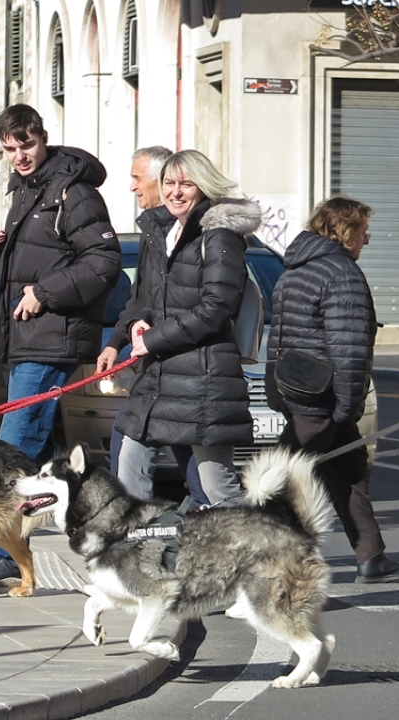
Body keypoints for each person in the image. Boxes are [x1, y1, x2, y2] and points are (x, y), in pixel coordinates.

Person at [0, 103, 121, 584]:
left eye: (27, 145)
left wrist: (43, 293)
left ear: (43, 137)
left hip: (50, 339)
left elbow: (103, 261)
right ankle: (19, 542)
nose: (18, 156)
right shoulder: (26, 191)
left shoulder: (72, 191)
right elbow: (27, 270)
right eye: (10, 149)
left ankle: (6, 551)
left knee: (15, 445)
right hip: (28, 338)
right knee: (23, 445)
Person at [266, 196, 399, 584]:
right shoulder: (341, 274)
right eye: (364, 232)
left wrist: (276, 392)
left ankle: (371, 556)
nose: (366, 241)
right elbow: (348, 348)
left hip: (298, 389)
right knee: (279, 485)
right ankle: (265, 567)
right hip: (323, 397)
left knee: (349, 473)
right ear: (345, 231)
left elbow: (276, 340)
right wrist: (348, 406)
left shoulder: (294, 270)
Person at [110, 149, 255, 505]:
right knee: (129, 472)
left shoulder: (219, 235)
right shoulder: (165, 231)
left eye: (186, 184)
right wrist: (137, 324)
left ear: (203, 188)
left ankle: (253, 554)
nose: (175, 192)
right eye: (169, 183)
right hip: (159, 375)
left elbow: (216, 309)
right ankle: (139, 556)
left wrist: (154, 340)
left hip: (203, 379)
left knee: (217, 486)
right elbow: (151, 296)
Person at [95, 146, 210, 503]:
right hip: (158, 361)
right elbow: (141, 299)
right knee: (145, 444)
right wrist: (116, 341)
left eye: (136, 178)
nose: (132, 187)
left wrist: (152, 336)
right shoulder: (154, 231)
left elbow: (208, 307)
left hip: (182, 363)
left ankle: (216, 520)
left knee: (195, 463)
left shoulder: (194, 234)